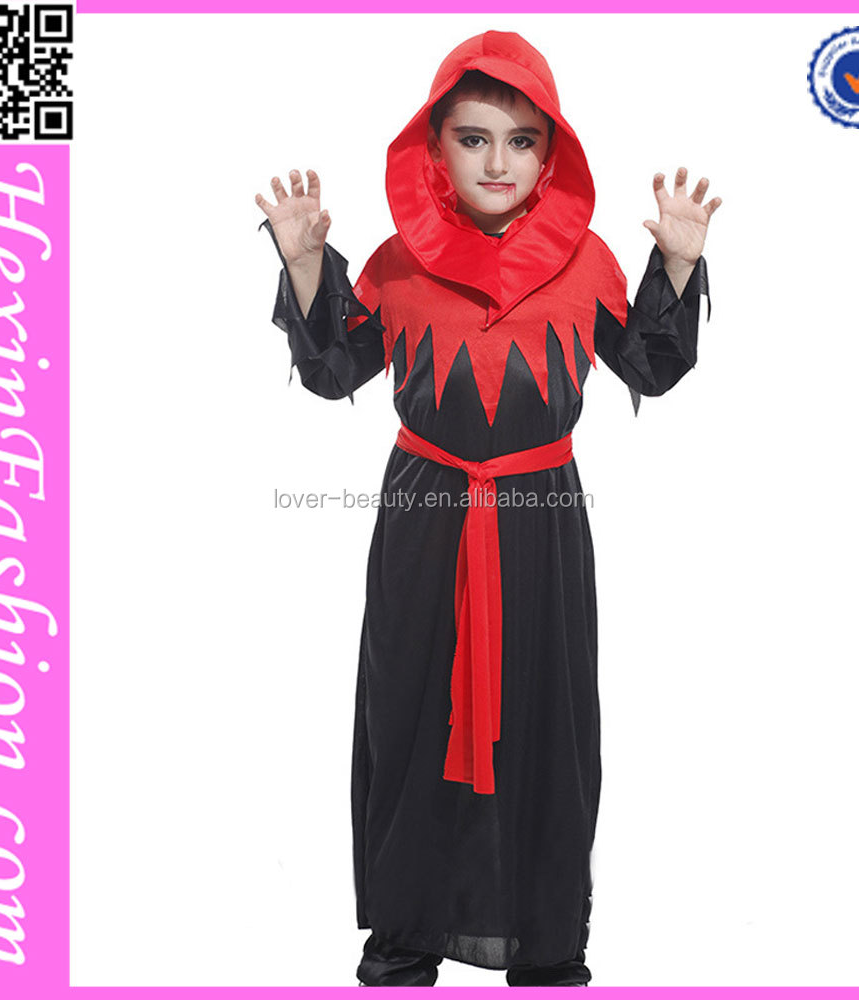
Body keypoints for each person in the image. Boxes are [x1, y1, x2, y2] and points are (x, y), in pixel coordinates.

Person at [255, 29, 719, 987]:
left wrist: (675, 267)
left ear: (550, 154)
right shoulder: (397, 263)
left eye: (520, 141)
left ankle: (546, 941)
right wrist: (305, 268)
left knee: (546, 717)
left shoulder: (585, 262)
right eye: (473, 139)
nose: (497, 162)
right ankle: (406, 931)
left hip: (540, 520)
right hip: (424, 522)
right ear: (436, 147)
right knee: (410, 709)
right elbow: (334, 370)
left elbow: (651, 367)